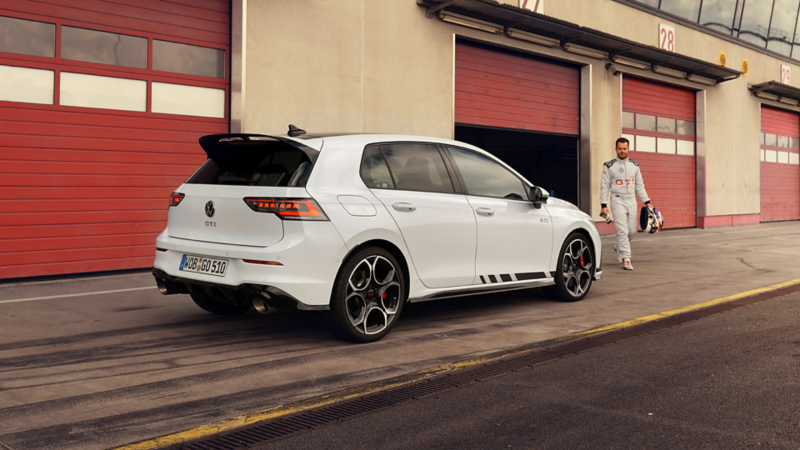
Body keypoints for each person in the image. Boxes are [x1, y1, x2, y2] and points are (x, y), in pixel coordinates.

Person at [600, 137, 654, 271]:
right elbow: (604, 186)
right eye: (620, 148)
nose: (622, 151)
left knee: (632, 230)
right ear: (616, 149)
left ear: (628, 149)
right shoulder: (609, 166)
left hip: (631, 200)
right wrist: (603, 205)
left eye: (624, 148)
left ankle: (619, 246)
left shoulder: (634, 166)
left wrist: (647, 201)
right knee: (622, 230)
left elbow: (639, 185)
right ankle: (626, 258)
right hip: (617, 200)